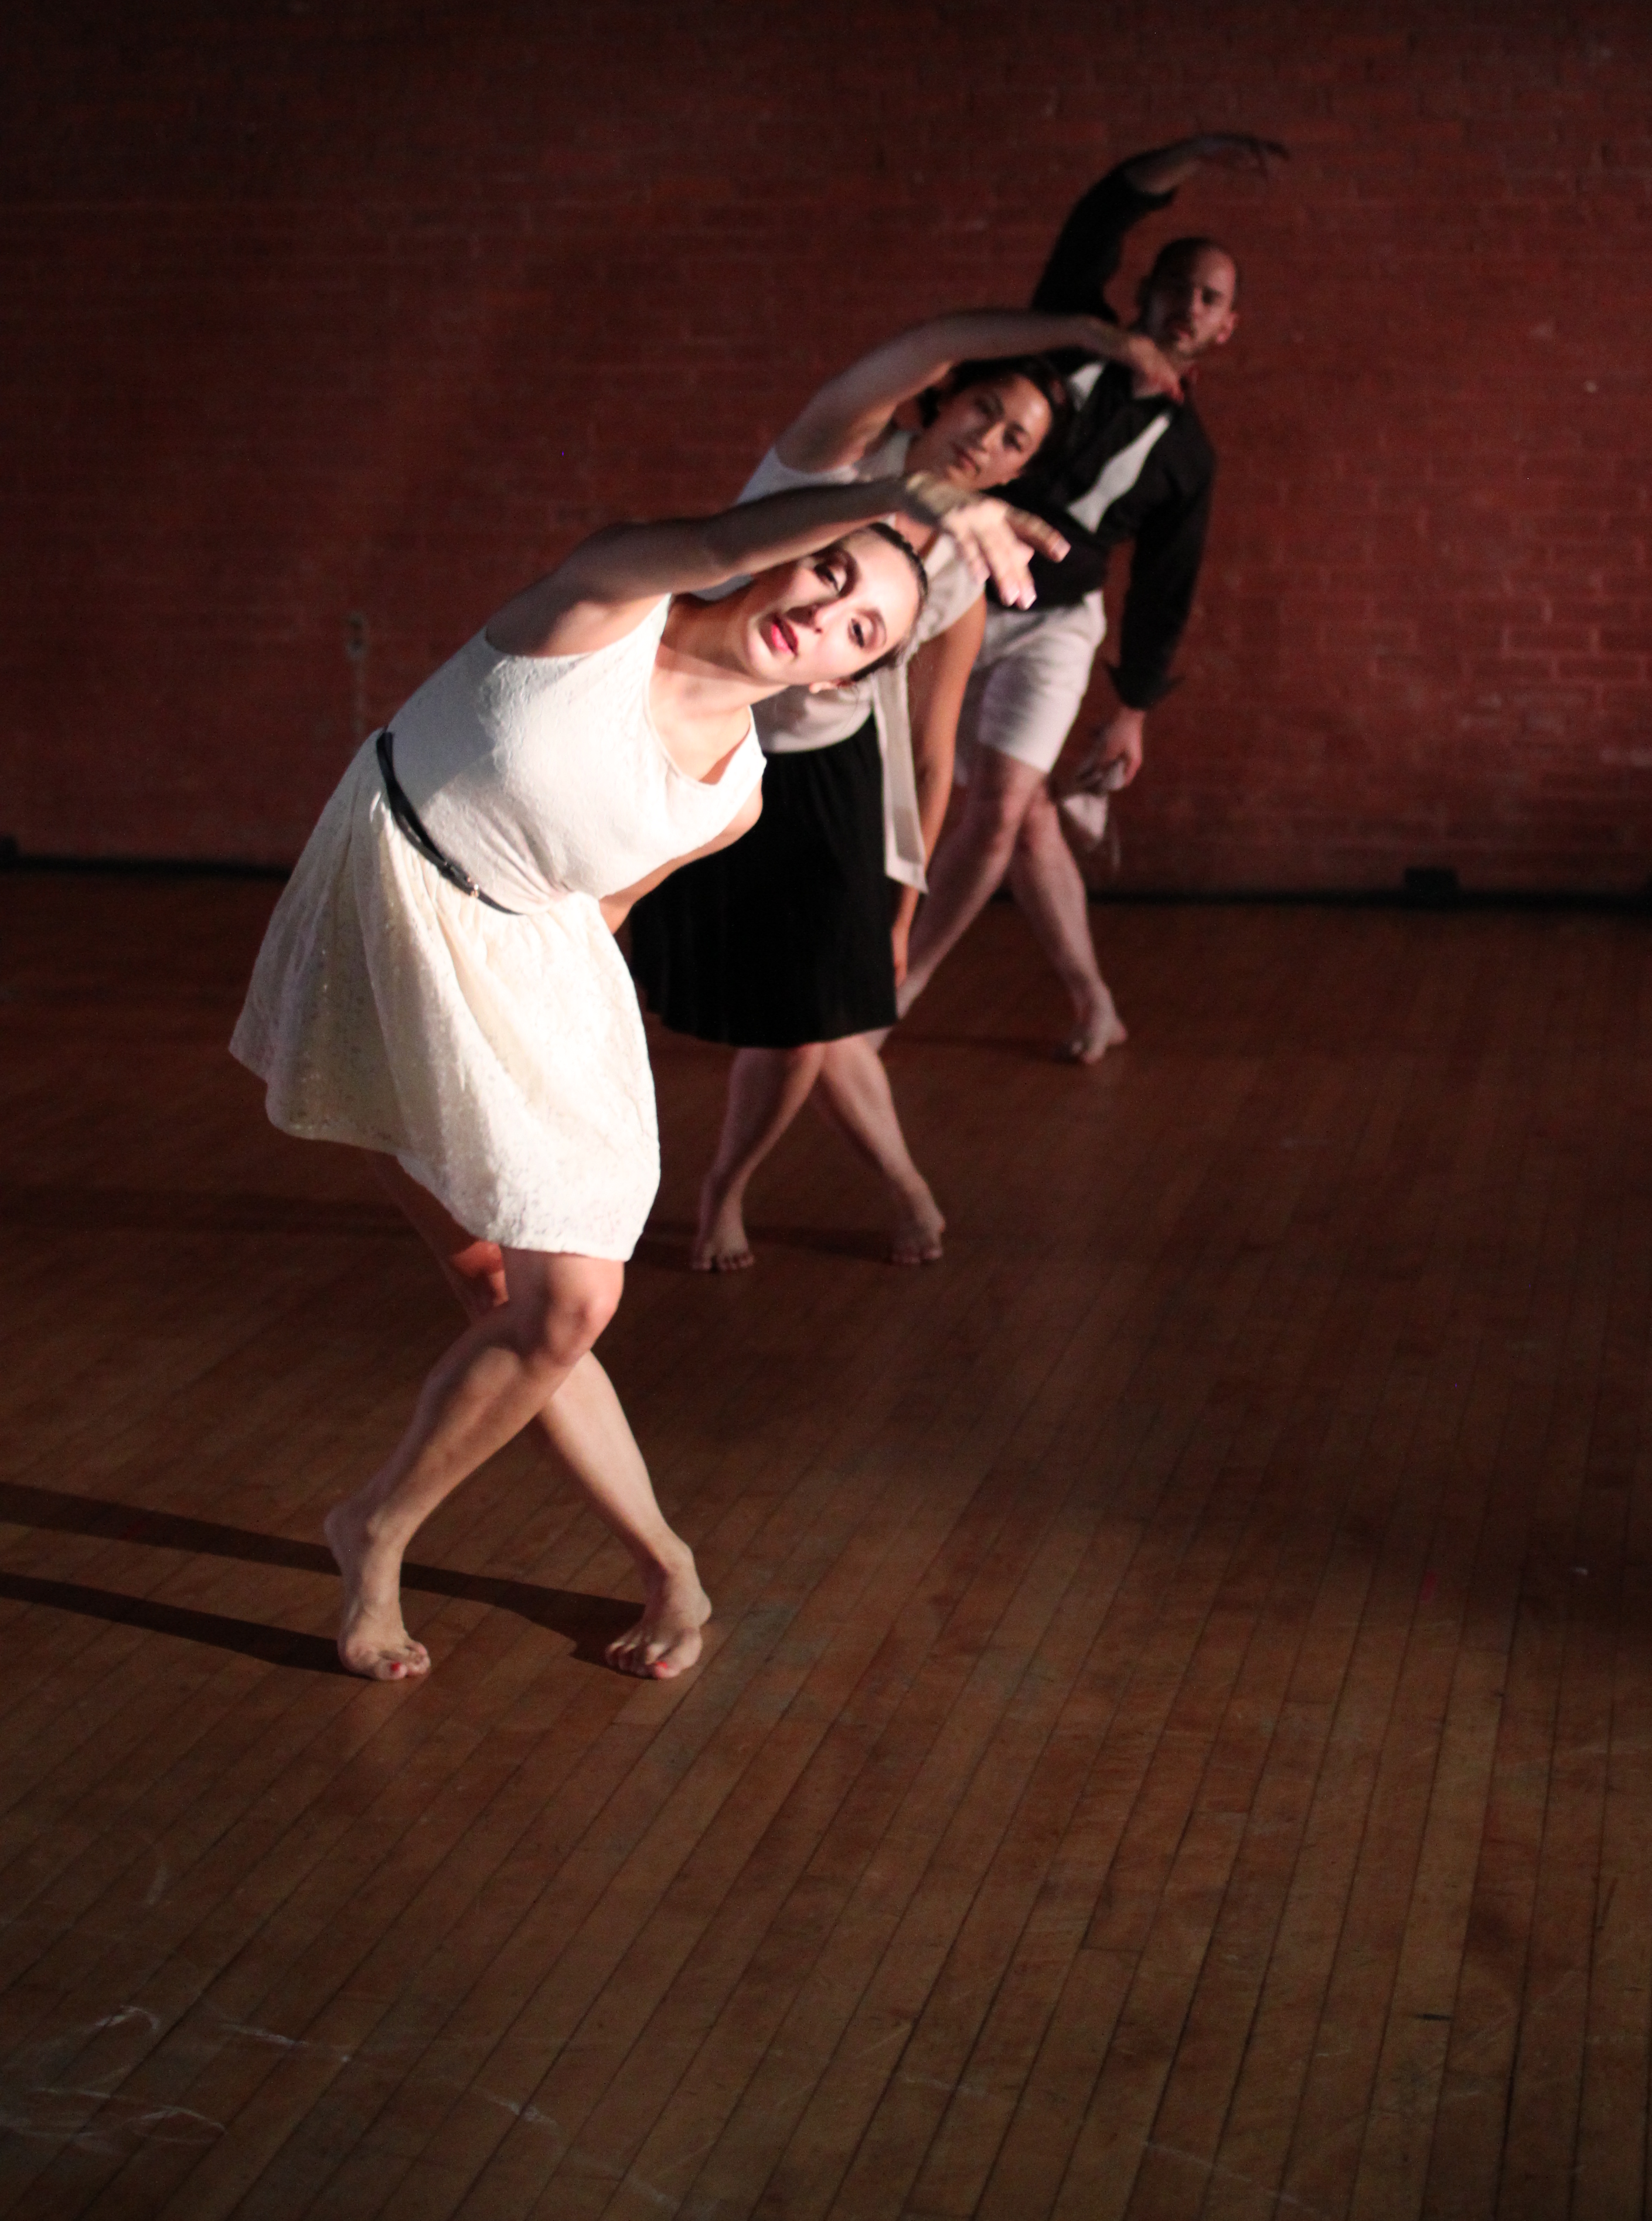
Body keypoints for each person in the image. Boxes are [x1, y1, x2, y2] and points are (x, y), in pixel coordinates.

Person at [231, 464, 1059, 1685]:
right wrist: (913, 496)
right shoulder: (607, 603)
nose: (825, 614)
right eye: (830, 571)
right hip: (387, 913)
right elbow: (717, 537)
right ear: (789, 551)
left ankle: (488, 1541)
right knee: (514, 1294)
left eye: (861, 629)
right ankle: (538, 1551)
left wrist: (547, 1054)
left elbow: (606, 905)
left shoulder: (736, 799)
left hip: (530, 964)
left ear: (842, 680)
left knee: (555, 1307)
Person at [630, 308, 1139, 1269]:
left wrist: (905, 902)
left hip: (832, 781)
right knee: (796, 1015)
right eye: (985, 407)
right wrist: (1086, 331)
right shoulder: (831, 461)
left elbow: (933, 749)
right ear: (945, 399)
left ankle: (740, 1189)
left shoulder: (964, 575)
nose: (988, 437)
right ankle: (893, 1190)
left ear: (1020, 471)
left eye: (1016, 439)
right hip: (711, 747)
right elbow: (918, 347)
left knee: (814, 1021)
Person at [895, 130, 1286, 1061]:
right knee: (1026, 816)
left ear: (1227, 328)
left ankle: (899, 988)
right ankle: (1095, 1003)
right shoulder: (1062, 331)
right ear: (1144, 290)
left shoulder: (1190, 457)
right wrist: (1199, 150)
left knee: (998, 808)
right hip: (952, 592)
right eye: (1178, 286)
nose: (1190, 306)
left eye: (1211, 299)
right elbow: (1103, 210)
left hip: (1055, 628)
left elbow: (1164, 588)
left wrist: (1133, 711)